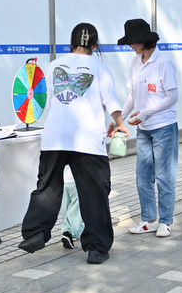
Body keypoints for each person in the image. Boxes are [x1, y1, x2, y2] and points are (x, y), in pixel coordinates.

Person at [18, 23, 129, 264]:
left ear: (71, 43)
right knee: (94, 193)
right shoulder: (100, 68)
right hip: (87, 141)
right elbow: (112, 104)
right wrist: (119, 124)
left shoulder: (54, 65)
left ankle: (36, 232)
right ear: (95, 46)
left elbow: (46, 100)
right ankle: (96, 247)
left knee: (47, 186)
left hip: (55, 137)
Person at [113, 18, 179, 238]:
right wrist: (119, 119)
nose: (131, 46)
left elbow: (172, 96)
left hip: (164, 127)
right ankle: (149, 220)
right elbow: (133, 94)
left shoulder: (163, 63)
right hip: (143, 128)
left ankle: (166, 221)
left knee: (164, 176)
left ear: (144, 41)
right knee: (142, 176)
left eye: (133, 42)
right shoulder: (135, 62)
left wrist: (146, 113)